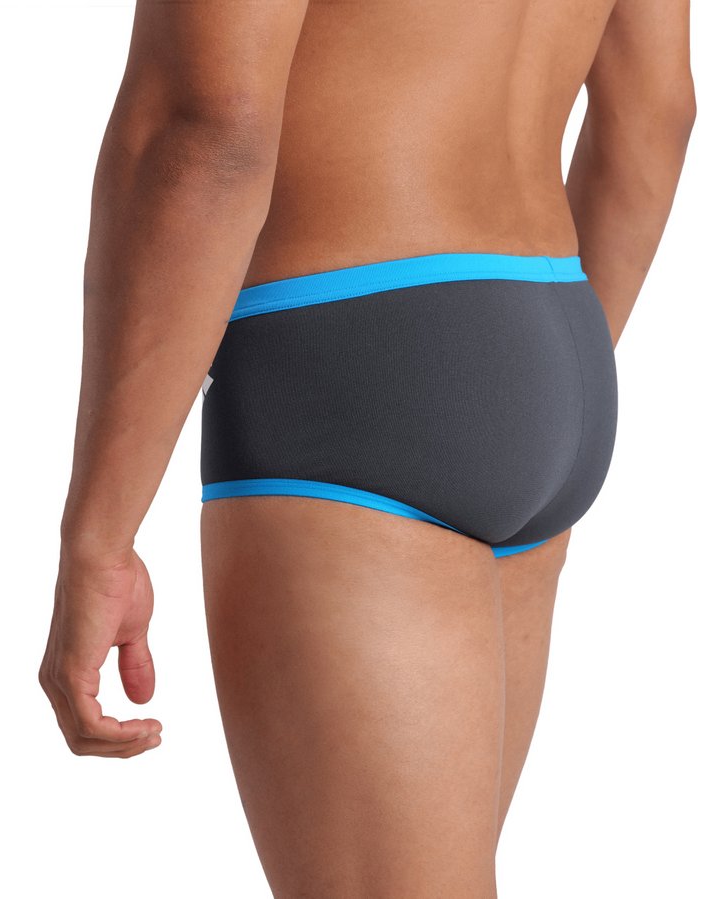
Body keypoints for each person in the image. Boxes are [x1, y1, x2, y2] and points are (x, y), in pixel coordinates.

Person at [39, 0, 696, 895]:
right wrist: (515, 375)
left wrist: (100, 536)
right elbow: (657, 110)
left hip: (355, 354)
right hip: (548, 327)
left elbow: (204, 127)